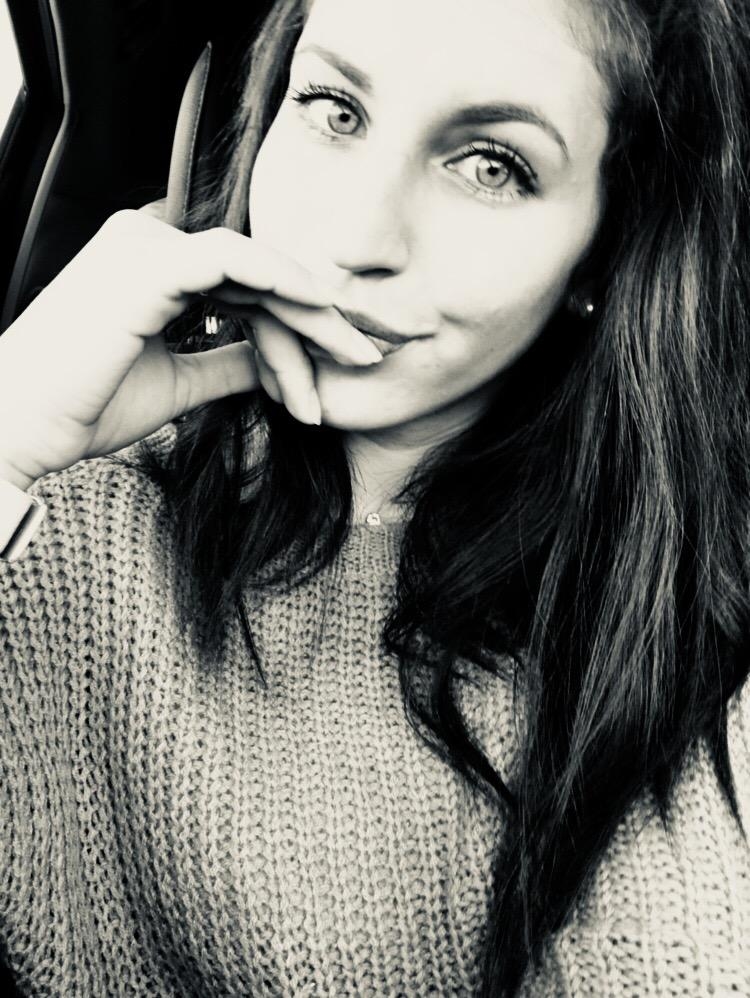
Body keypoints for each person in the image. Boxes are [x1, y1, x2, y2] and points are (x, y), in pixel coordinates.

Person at [1, 0, 749, 994]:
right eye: (334, 109)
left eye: (492, 165)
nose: (358, 235)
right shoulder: (60, 517)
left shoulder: (683, 631)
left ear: (603, 250)